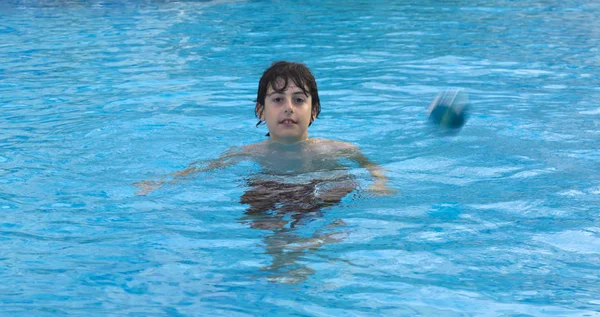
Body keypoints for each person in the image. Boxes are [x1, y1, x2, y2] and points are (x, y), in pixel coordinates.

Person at [135, 61, 393, 201]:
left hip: (319, 191)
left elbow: (370, 165)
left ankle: (319, 242)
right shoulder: (251, 153)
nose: (289, 108)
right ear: (261, 111)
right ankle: (278, 253)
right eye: (278, 99)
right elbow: (204, 168)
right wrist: (162, 182)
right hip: (272, 189)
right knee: (257, 194)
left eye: (299, 100)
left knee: (342, 183)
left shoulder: (335, 149)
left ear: (314, 112)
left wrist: (381, 182)